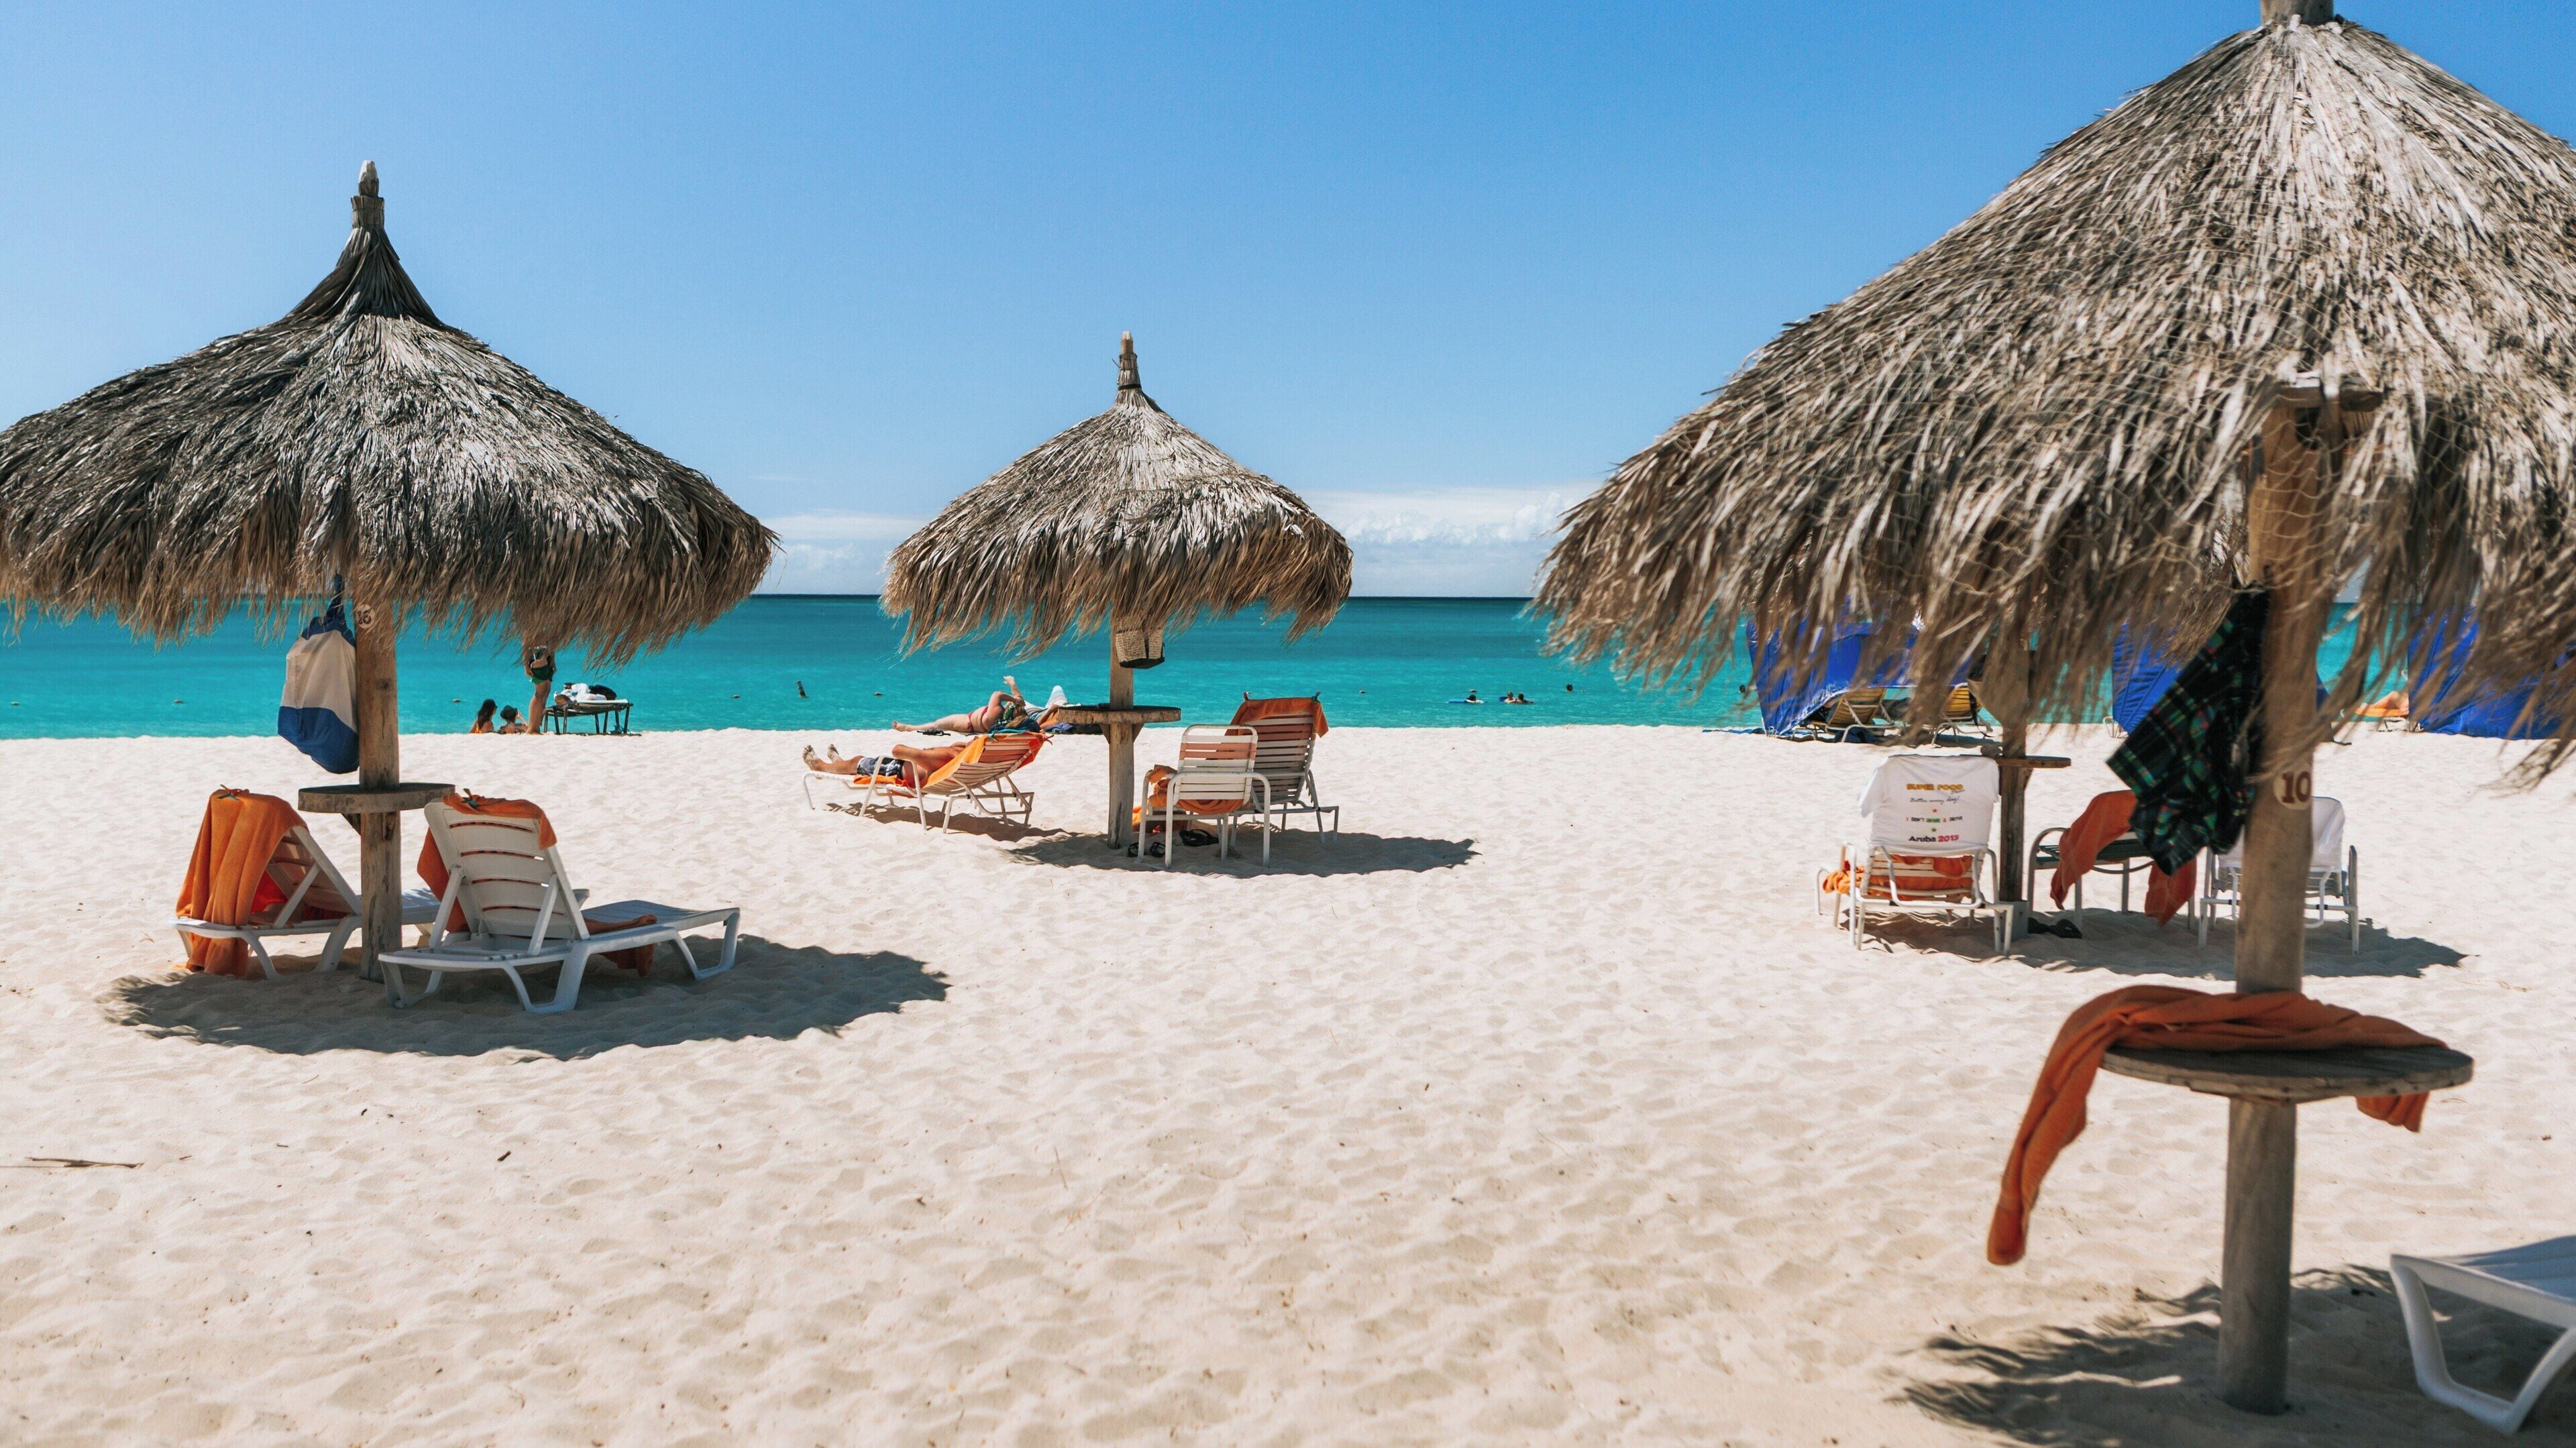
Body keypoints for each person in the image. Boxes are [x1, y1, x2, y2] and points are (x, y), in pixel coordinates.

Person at [894, 675, 1055, 734]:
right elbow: (1019, 699)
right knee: (938, 725)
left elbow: (997, 695)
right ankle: (909, 727)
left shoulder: (996, 712)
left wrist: (1012, 698)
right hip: (973, 723)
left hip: (967, 722)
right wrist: (1013, 685)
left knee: (937, 724)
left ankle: (909, 728)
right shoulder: (1008, 721)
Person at [804, 740, 961, 785]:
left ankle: (820, 766)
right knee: (856, 762)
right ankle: (838, 762)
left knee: (857, 762)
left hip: (893, 770)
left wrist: (924, 751)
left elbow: (897, 750)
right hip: (902, 770)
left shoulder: (948, 755)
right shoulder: (965, 762)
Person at [521, 641, 556, 733]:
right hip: (537, 651)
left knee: (546, 691)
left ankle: (535, 726)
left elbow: (554, 640)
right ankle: (532, 728)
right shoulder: (532, 626)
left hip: (547, 653)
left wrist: (553, 660)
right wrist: (526, 666)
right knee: (540, 692)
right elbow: (525, 642)